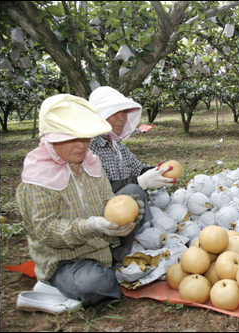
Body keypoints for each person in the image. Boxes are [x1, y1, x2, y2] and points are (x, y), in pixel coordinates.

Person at [16, 94, 145, 309]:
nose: (82, 145)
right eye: (71, 137)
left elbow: (106, 201)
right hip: (65, 260)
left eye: (85, 137)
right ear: (52, 137)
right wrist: (91, 225)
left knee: (133, 192)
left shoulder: (90, 163)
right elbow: (46, 231)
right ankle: (57, 283)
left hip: (102, 246)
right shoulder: (39, 176)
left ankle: (112, 265)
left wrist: (126, 211)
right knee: (96, 284)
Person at [88, 86, 175, 263]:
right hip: (102, 217)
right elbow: (98, 187)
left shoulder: (117, 146)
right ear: (100, 115)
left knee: (134, 189)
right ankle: (123, 250)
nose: (122, 117)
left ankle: (148, 238)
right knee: (133, 190)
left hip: (126, 213)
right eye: (115, 112)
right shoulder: (90, 146)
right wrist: (141, 181)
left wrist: (156, 171)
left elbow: (138, 168)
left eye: (124, 112)